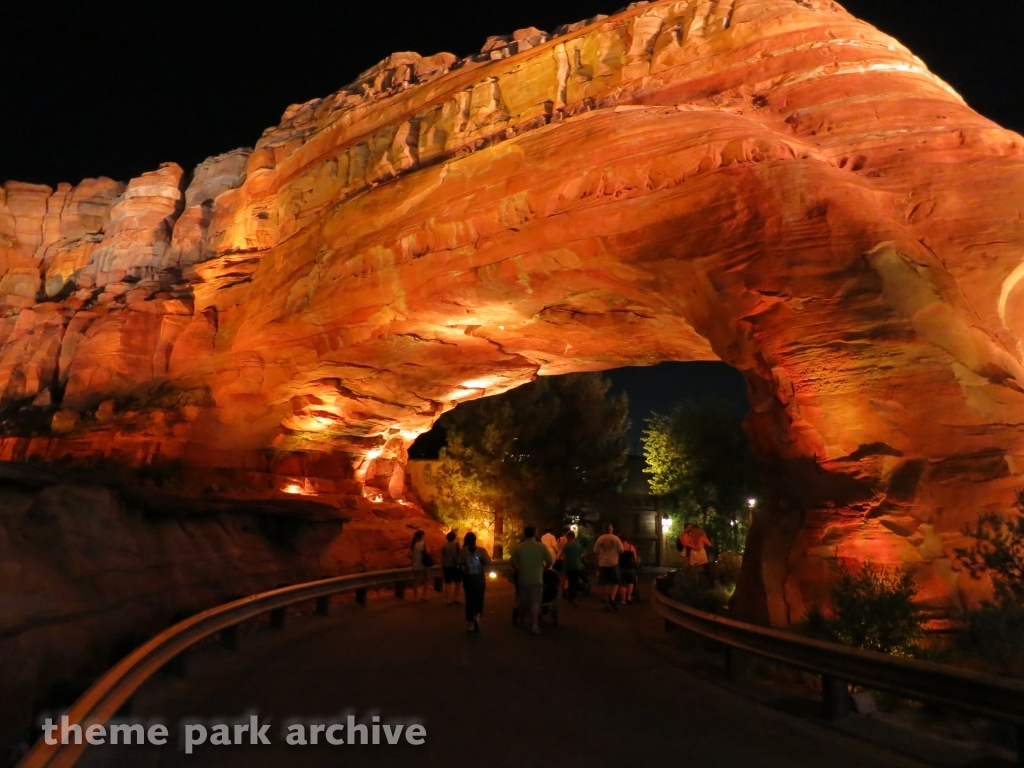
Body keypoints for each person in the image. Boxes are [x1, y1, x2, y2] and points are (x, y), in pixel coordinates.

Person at [510, 525, 553, 634]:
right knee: (535, 602)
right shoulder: (541, 547)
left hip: (523, 578)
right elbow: (549, 560)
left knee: (523, 601)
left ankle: (522, 621)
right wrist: (544, 569)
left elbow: (513, 562)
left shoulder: (519, 547)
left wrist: (518, 568)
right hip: (537, 578)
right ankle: (534, 625)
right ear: (534, 533)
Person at [459, 532, 491, 633]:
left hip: (468, 578)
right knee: (479, 598)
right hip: (479, 577)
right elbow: (488, 561)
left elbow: (458, 561)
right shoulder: (481, 550)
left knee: (469, 599)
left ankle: (470, 624)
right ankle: (477, 615)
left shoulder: (463, 551)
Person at [593, 523, 624, 611]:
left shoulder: (600, 539)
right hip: (613, 563)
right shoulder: (615, 538)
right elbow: (621, 550)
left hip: (602, 563)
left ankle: (606, 600)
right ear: (611, 529)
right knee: (615, 582)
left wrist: (597, 565)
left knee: (605, 583)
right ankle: (612, 598)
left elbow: (596, 552)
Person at [560, 530, 584, 606]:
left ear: (570, 537)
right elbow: (581, 556)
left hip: (569, 566)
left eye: (567, 536)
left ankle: (570, 598)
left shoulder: (567, 546)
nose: (566, 538)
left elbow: (564, 557)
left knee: (570, 581)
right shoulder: (578, 545)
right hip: (577, 566)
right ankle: (574, 597)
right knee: (575, 582)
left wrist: (564, 566)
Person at [441, 531, 463, 605]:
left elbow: (443, 556)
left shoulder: (444, 546)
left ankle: (448, 599)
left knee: (447, 582)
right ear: (454, 537)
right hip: (455, 566)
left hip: (446, 566)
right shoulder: (457, 545)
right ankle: (456, 598)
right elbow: (460, 555)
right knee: (458, 582)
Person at [618, 533, 639, 605]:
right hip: (630, 567)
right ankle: (629, 597)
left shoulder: (619, 548)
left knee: (622, 584)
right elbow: (635, 558)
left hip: (621, 567)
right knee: (630, 583)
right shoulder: (631, 547)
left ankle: (623, 600)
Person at [410, 529, 430, 602]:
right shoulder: (424, 543)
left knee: (416, 582)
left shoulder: (414, 545)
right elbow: (427, 552)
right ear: (422, 536)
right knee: (426, 579)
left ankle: (416, 598)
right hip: (423, 564)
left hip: (415, 565)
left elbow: (411, 555)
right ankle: (424, 596)